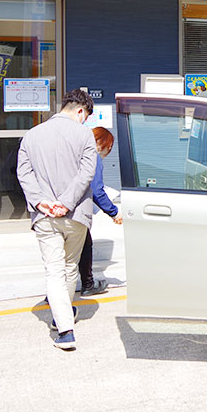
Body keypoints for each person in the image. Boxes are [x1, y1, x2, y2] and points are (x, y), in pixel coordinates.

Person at [16, 89, 97, 351]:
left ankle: (64, 328)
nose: (84, 122)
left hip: (45, 215)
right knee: (70, 265)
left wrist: (41, 201)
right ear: (81, 111)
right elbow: (87, 174)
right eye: (85, 117)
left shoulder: (32, 135)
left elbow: (23, 172)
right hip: (75, 215)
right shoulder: (84, 134)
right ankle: (63, 317)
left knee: (53, 269)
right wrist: (66, 202)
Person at [77, 126, 123, 296]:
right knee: (84, 246)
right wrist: (114, 212)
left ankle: (52, 293)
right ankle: (88, 284)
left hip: (58, 209)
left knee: (69, 252)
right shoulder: (93, 157)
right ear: (102, 144)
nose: (108, 152)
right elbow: (97, 190)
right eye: (108, 147)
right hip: (77, 212)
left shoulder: (75, 154)